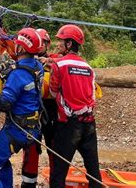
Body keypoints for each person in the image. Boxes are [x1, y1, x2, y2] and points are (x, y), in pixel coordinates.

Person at [0, 27, 44, 188]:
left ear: (22, 48)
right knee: (2, 162)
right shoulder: (38, 66)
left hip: (16, 130)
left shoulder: (17, 74)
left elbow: (5, 103)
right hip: (32, 129)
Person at [48, 24, 102, 188]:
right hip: (89, 124)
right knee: (94, 171)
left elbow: (52, 92)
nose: (58, 45)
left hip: (68, 126)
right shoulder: (89, 68)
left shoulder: (58, 66)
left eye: (61, 41)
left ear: (69, 44)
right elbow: (92, 95)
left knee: (59, 172)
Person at [20, 28, 59, 188]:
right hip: (33, 111)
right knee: (31, 148)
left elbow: (62, 60)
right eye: (39, 42)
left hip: (51, 112)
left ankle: (56, 181)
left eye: (44, 42)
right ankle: (28, 183)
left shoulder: (55, 59)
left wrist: (49, 62)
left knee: (53, 147)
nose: (41, 45)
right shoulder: (27, 61)